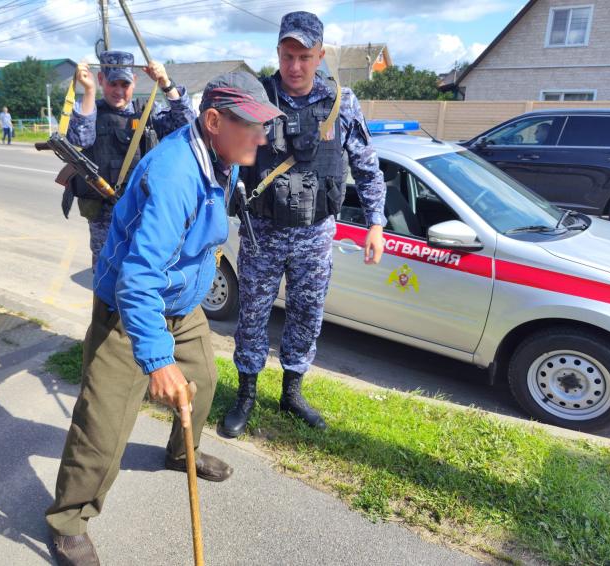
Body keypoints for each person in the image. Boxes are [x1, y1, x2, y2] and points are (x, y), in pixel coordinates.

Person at [45, 71, 283, 566]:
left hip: (182, 302)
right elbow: (138, 281)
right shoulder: (175, 174)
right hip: (130, 309)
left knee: (203, 380)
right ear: (214, 120)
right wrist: (155, 360)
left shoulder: (222, 155)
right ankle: (68, 523)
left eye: (265, 125)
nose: (263, 137)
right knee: (103, 428)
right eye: (253, 126)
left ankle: (180, 453)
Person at [219, 11, 387, 438]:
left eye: (305, 57)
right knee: (253, 315)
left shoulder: (341, 103)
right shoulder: (257, 97)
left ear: (320, 55)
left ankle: (292, 392)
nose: (295, 66)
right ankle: (246, 394)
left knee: (306, 314)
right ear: (277, 51)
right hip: (263, 231)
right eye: (288, 55)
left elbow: (367, 168)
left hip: (315, 234)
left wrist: (376, 224)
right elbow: (225, 155)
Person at [66, 51, 196, 269]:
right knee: (106, 276)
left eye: (124, 84)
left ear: (134, 82)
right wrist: (88, 91)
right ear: (101, 80)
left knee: (142, 273)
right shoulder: (91, 110)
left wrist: (166, 84)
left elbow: (188, 125)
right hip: (105, 217)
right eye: (112, 83)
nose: (118, 91)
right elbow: (80, 139)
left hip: (145, 212)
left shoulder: (147, 113)